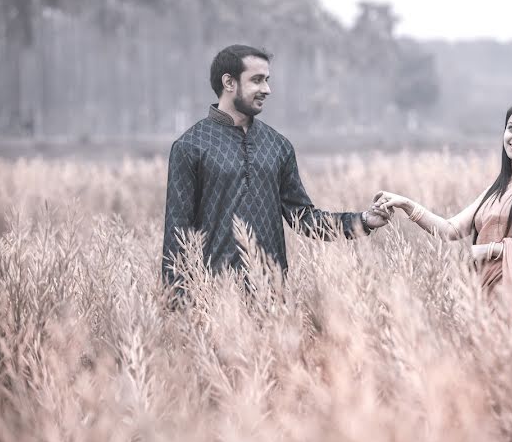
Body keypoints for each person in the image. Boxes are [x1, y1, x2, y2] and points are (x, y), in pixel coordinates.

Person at [162, 44, 389, 292]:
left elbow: (304, 218)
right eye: (257, 80)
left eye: (267, 80)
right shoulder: (190, 146)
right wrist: (179, 310)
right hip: (214, 300)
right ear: (229, 82)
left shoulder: (277, 145)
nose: (266, 89)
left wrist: (364, 221)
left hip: (272, 299)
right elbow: (177, 234)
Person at [375, 99, 512, 291]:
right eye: (511, 128)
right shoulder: (497, 189)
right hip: (484, 296)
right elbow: (450, 230)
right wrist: (406, 204)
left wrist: (488, 250)